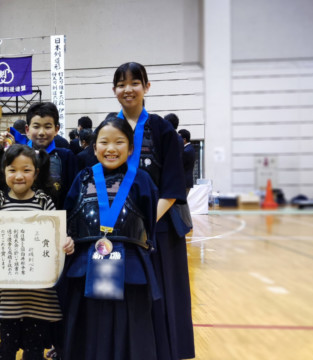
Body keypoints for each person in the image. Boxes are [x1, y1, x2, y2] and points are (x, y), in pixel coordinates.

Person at [0, 144, 74, 359]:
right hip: (7, 293)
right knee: (6, 346)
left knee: (35, 347)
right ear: (3, 172)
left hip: (39, 293)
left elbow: (57, 236)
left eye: (26, 170)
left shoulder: (44, 201)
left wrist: (67, 242)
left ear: (36, 173)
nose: (19, 176)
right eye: (12, 170)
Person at [112, 62, 193, 359]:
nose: (128, 89)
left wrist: (143, 224)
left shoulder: (162, 130)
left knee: (163, 297)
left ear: (147, 87)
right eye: (121, 84)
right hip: (117, 229)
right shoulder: (109, 127)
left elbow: (173, 187)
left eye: (135, 82)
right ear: (114, 90)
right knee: (123, 295)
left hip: (157, 229)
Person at [62, 115, 161, 359]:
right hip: (85, 265)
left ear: (130, 148)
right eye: (104, 142)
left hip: (130, 268)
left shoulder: (141, 180)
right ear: (94, 147)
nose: (111, 149)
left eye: (119, 142)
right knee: (86, 329)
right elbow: (67, 219)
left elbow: (149, 223)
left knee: (130, 331)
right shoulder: (82, 177)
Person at [20, 102, 77, 209]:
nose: (41, 132)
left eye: (47, 127)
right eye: (36, 127)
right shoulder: (19, 157)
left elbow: (72, 196)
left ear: (56, 130)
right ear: (27, 130)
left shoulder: (66, 157)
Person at [179, 129, 196, 196]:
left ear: (184, 139)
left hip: (184, 181)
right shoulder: (189, 148)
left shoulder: (186, 151)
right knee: (182, 203)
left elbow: (180, 165)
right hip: (186, 181)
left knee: (182, 203)